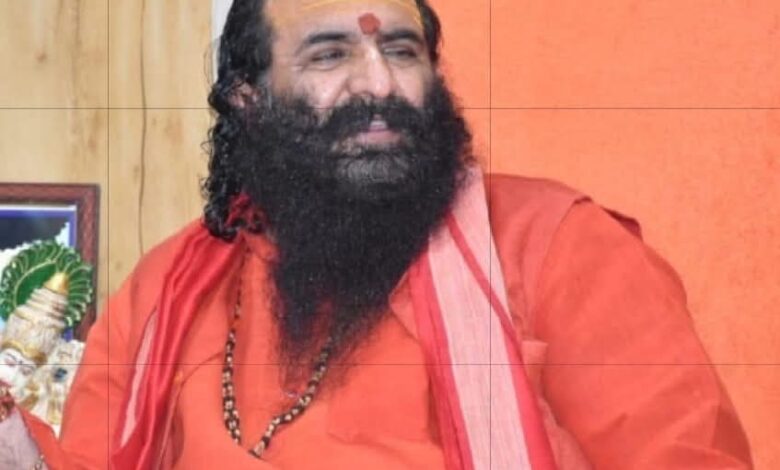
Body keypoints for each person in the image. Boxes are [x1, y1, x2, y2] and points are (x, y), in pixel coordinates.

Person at [0, 0, 753, 468]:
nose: (380, 85)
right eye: (330, 55)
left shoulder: (557, 247)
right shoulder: (167, 289)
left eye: (400, 50)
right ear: (249, 99)